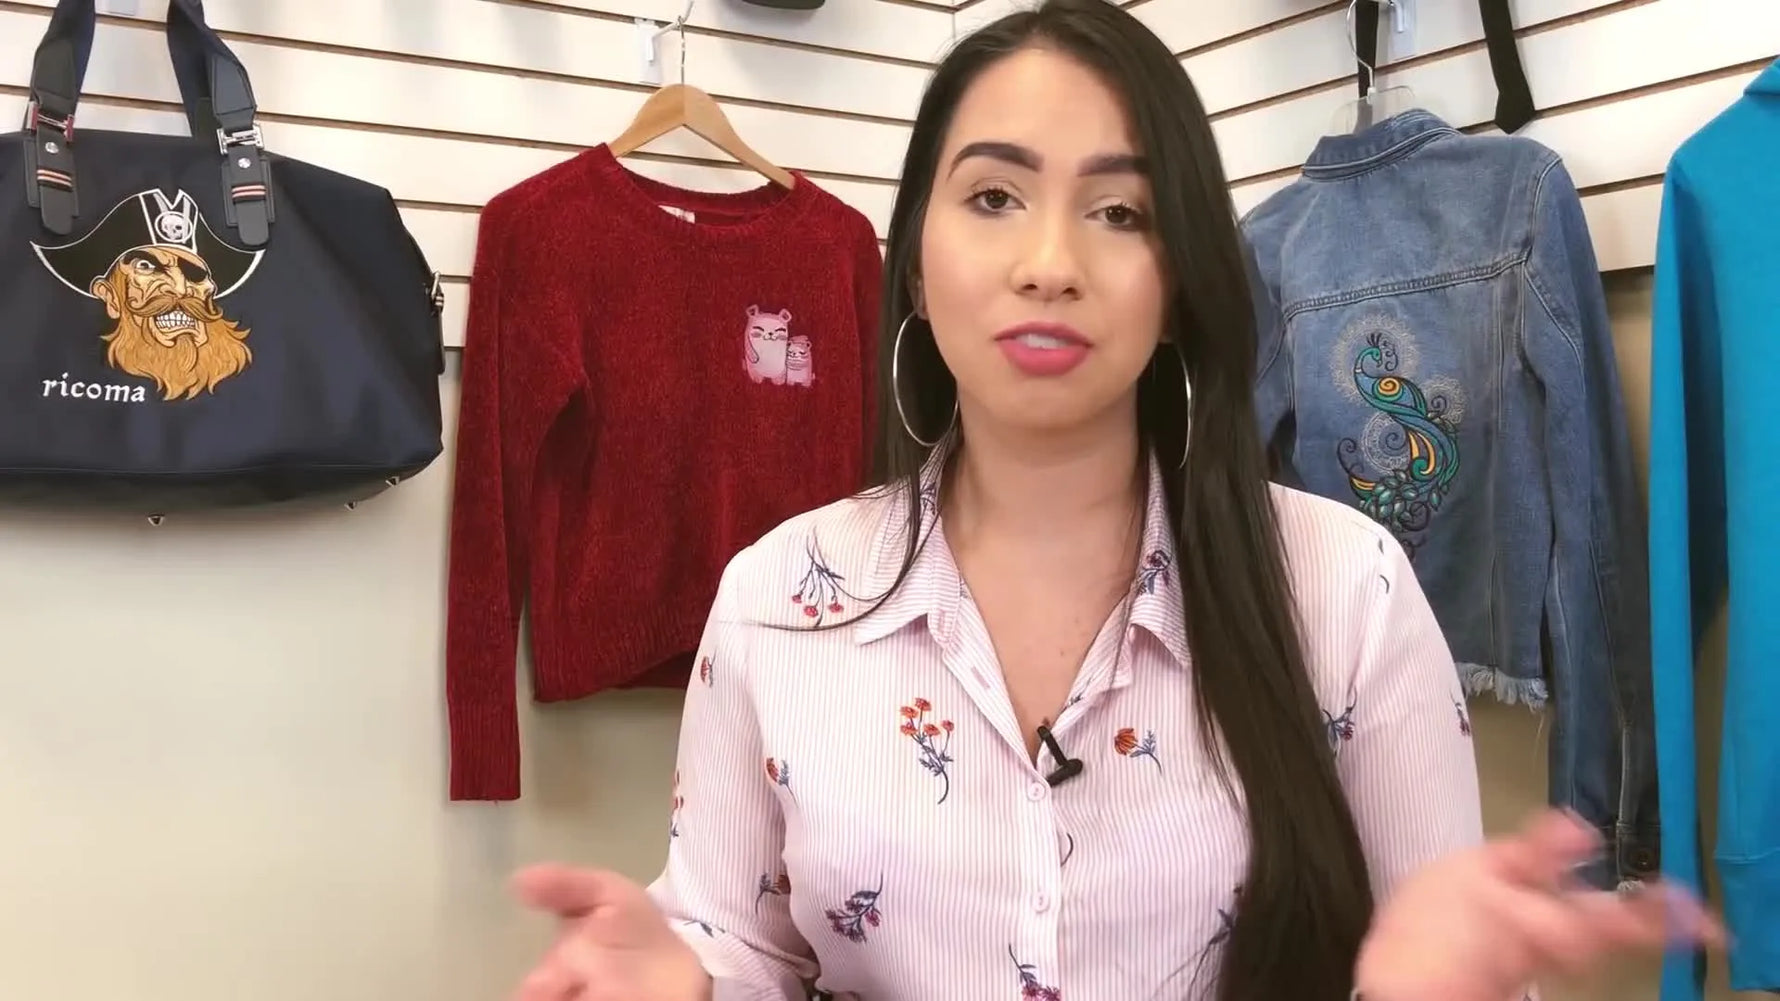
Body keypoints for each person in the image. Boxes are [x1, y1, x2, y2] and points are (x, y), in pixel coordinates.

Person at [504, 3, 1721, 999]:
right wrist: (689, 978)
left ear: (1179, 275)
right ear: (916, 258)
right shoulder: (775, 596)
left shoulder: (1343, 587)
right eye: (992, 197)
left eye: (1120, 211)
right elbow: (742, 945)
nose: (1050, 260)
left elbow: (1438, 958)